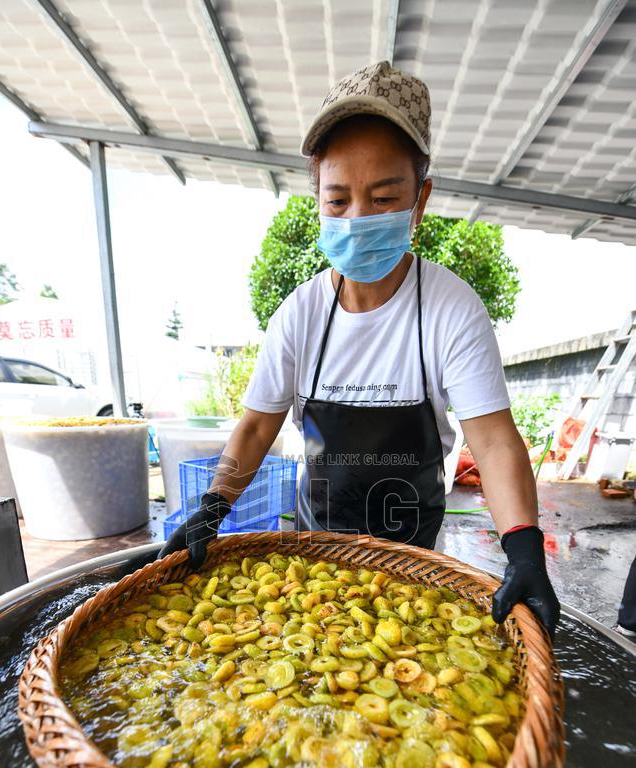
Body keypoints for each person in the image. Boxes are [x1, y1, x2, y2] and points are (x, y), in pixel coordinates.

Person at [159, 61, 560, 641]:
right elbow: (256, 426)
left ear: (419, 201)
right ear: (317, 198)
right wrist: (211, 509)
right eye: (338, 198)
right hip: (312, 560)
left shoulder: (450, 308)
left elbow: (493, 441)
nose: (357, 218)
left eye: (383, 197)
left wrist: (524, 554)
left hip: (417, 566)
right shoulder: (300, 313)